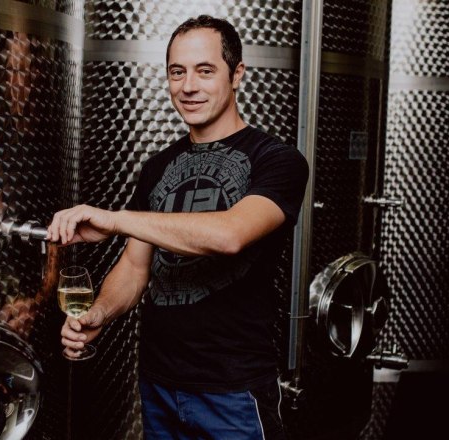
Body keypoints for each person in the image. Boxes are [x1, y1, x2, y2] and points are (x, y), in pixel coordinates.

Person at [48, 15, 308, 440]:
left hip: (233, 391)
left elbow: (230, 235)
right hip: (159, 383)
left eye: (205, 71)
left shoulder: (277, 160)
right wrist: (100, 312)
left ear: (237, 74)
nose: (188, 86)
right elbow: (134, 269)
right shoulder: (157, 168)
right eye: (177, 72)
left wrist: (114, 219)